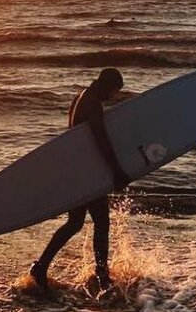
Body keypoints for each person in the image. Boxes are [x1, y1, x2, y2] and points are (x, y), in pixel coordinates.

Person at [29, 67, 130, 293]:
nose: (112, 97)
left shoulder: (80, 97)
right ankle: (102, 276)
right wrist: (116, 171)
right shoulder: (93, 103)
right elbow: (100, 140)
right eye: (113, 91)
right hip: (86, 174)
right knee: (101, 222)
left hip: (76, 171)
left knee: (75, 223)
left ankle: (41, 265)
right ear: (105, 85)